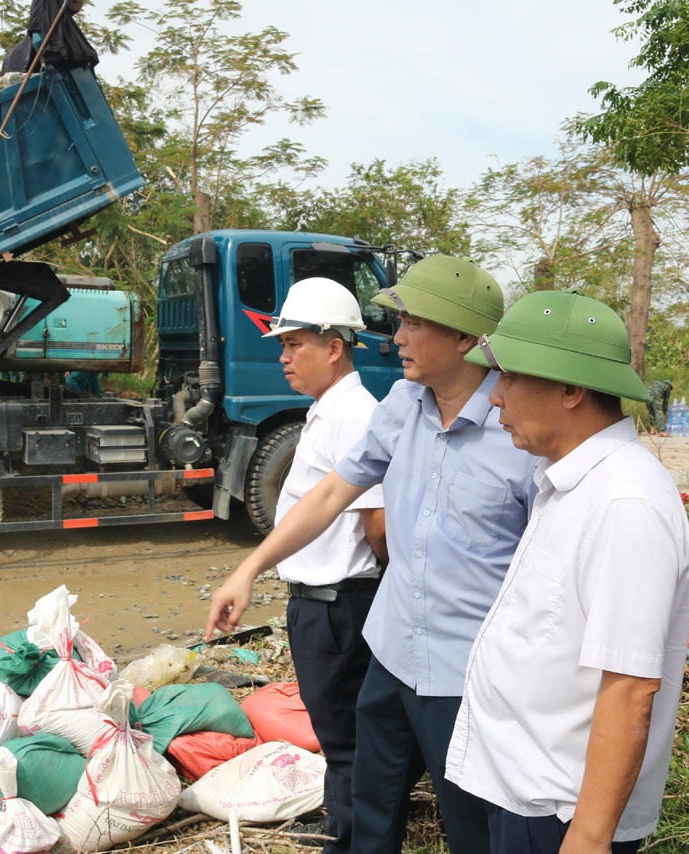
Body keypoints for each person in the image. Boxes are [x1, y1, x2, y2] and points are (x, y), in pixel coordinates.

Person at [207, 256, 535, 854]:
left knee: (470, 826)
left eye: (412, 323)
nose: (397, 337)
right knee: (367, 805)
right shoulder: (402, 405)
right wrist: (248, 569)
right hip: (391, 652)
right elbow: (332, 492)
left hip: (465, 671)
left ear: (465, 338)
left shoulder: (520, 429)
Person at [445, 290, 689, 854]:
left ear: (571, 389)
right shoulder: (568, 480)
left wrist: (589, 835)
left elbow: (630, 687)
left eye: (508, 379)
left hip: (560, 811)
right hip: (526, 787)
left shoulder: (624, 504)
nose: (496, 399)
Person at [217, 277, 386, 852]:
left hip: (342, 601)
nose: (284, 358)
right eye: (282, 346)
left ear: (334, 346)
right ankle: (343, 820)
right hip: (325, 601)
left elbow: (377, 521)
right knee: (339, 727)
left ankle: (355, 835)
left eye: (295, 346)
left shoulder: (351, 417)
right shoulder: (328, 410)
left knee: (347, 734)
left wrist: (377, 584)